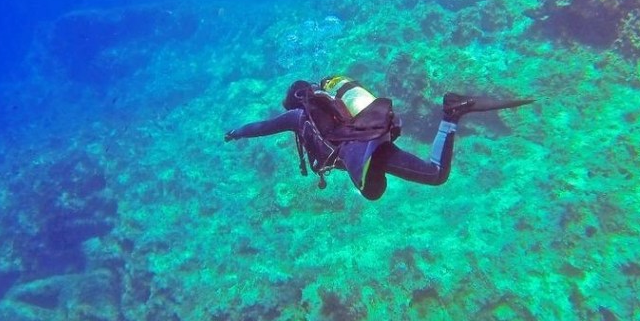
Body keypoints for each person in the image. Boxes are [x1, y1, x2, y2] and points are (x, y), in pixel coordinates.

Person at [224, 76, 533, 201]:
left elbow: (262, 127)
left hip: (365, 151)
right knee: (417, 177)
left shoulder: (296, 117)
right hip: (369, 140)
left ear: (294, 101)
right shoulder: (329, 108)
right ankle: (450, 113)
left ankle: (451, 112)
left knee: (436, 175)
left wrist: (237, 133)